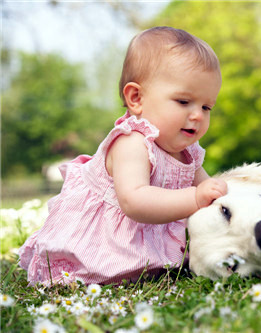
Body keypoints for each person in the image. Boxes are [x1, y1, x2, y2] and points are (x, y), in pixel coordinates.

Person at [18, 26, 227, 285]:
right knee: (88, 272)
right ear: (136, 97)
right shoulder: (131, 142)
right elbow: (135, 201)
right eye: (184, 102)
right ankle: (88, 271)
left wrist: (216, 193)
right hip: (105, 241)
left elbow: (207, 187)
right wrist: (196, 197)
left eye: (207, 107)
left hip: (147, 240)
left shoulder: (189, 153)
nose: (197, 115)